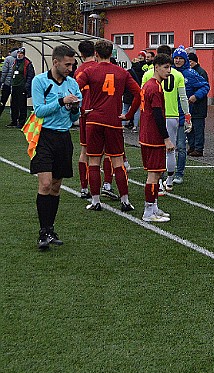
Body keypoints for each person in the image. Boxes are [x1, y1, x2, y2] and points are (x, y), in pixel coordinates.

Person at [76, 39, 141, 212]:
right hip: (113, 121)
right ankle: (125, 201)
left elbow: (74, 89)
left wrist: (82, 109)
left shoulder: (89, 71)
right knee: (117, 160)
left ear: (96, 54)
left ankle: (96, 201)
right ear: (112, 53)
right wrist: (127, 115)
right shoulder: (122, 72)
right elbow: (138, 94)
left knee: (94, 161)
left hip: (94, 120)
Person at [30, 45, 82, 250]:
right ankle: (43, 233)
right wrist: (61, 101)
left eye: (72, 64)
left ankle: (50, 229)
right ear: (55, 62)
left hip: (63, 138)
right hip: (44, 137)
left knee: (56, 186)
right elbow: (39, 111)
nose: (70, 68)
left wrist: (75, 109)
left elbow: (75, 118)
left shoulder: (73, 84)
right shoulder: (40, 81)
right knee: (44, 184)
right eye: (67, 64)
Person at [142, 45, 191, 192]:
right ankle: (169, 181)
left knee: (160, 150)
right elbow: (183, 98)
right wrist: (188, 116)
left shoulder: (148, 75)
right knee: (170, 150)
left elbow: (142, 98)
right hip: (172, 116)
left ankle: (159, 179)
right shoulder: (178, 75)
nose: (168, 70)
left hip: (154, 117)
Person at [140, 53, 175, 222]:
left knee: (156, 173)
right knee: (153, 175)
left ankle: (153, 207)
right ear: (156, 67)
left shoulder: (151, 85)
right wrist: (166, 138)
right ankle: (148, 212)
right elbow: (157, 115)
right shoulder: (154, 87)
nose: (169, 71)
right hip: (152, 136)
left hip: (147, 134)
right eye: (166, 67)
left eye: (170, 67)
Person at [172, 46, 209, 183]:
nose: (178, 60)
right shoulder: (168, 72)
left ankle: (179, 173)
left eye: (181, 58)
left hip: (182, 116)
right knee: (167, 146)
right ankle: (165, 172)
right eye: (176, 58)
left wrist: (195, 96)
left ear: (185, 60)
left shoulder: (190, 73)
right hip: (169, 115)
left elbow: (205, 86)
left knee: (181, 146)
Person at [74, 40, 97, 199]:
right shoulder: (100, 68)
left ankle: (84, 186)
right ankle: (107, 184)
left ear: (81, 54)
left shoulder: (78, 71)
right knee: (106, 153)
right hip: (100, 113)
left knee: (84, 151)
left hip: (85, 113)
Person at [187, 52, 209, 157]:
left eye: (190, 61)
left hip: (198, 106)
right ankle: (192, 146)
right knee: (189, 128)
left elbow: (205, 88)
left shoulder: (201, 72)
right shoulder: (188, 72)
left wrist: (196, 96)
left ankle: (198, 148)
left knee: (198, 128)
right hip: (190, 106)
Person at [9, 47, 35, 128]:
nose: (19, 55)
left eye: (21, 53)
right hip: (14, 86)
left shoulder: (27, 63)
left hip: (22, 86)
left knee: (22, 105)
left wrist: (26, 86)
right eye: (18, 53)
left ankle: (21, 122)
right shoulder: (15, 62)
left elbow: (31, 76)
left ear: (24, 54)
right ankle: (14, 121)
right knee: (13, 104)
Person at [0, 47, 18, 118]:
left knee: (2, 101)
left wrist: (1, 82)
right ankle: (14, 120)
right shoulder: (21, 58)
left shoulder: (8, 59)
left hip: (7, 84)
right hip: (16, 84)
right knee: (14, 103)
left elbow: (4, 72)